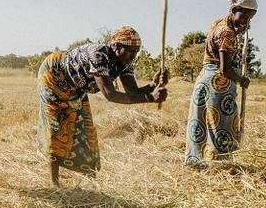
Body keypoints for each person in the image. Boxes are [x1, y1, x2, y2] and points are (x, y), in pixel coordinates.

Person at [37, 26, 168, 186]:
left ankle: (91, 182)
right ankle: (54, 184)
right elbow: (110, 94)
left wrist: (153, 85)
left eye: (136, 52)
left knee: (86, 129)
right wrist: (150, 98)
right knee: (57, 128)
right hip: (53, 77)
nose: (133, 56)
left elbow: (132, 92)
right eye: (130, 51)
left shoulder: (126, 63)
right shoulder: (98, 54)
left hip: (78, 88)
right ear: (116, 46)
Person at [184, 0, 257, 166]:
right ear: (233, 10)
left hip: (205, 80)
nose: (246, 22)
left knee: (202, 123)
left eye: (250, 19)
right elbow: (225, 69)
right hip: (218, 84)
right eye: (243, 17)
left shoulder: (219, 25)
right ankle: (219, 164)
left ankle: (198, 162)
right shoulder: (227, 33)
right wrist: (241, 79)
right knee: (221, 126)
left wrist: (239, 28)